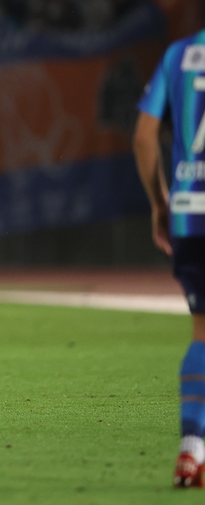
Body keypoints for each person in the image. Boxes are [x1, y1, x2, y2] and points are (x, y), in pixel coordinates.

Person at [134, 32, 205, 488]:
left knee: (202, 333)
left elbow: (144, 137)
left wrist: (160, 203)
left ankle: (192, 450)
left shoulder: (178, 54)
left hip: (190, 215)